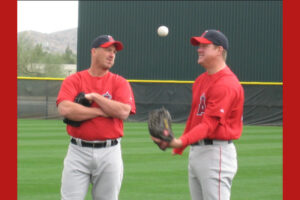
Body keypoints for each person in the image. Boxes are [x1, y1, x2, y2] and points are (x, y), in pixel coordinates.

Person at [152, 29, 244, 200]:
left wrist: (181, 141)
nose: (199, 49)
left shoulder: (226, 84)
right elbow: (195, 118)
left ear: (219, 50)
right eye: (198, 45)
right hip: (198, 152)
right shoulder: (201, 80)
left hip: (216, 154)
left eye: (204, 46)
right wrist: (180, 145)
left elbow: (209, 125)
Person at [56, 35, 136, 200]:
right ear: (93, 51)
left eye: (114, 51)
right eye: (107, 50)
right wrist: (101, 111)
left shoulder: (119, 82)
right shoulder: (74, 80)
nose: (111, 54)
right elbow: (65, 109)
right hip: (77, 151)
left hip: (109, 151)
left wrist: (95, 97)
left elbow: (123, 112)